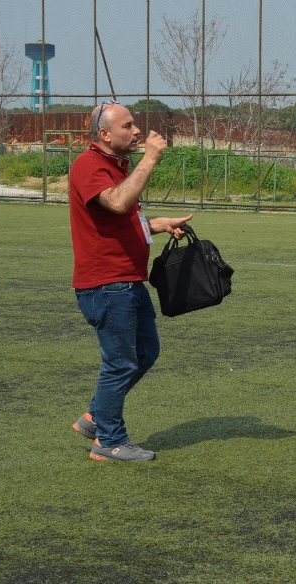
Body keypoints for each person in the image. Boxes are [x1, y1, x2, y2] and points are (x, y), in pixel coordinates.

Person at [69, 101, 192, 462]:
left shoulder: (115, 166)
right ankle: (109, 441)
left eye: (135, 124)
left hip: (127, 282)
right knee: (120, 363)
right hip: (107, 285)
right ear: (104, 134)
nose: (137, 130)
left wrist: (158, 224)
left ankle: (96, 416)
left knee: (145, 353)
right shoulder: (88, 164)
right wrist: (150, 158)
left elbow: (120, 221)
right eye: (127, 126)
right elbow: (118, 203)